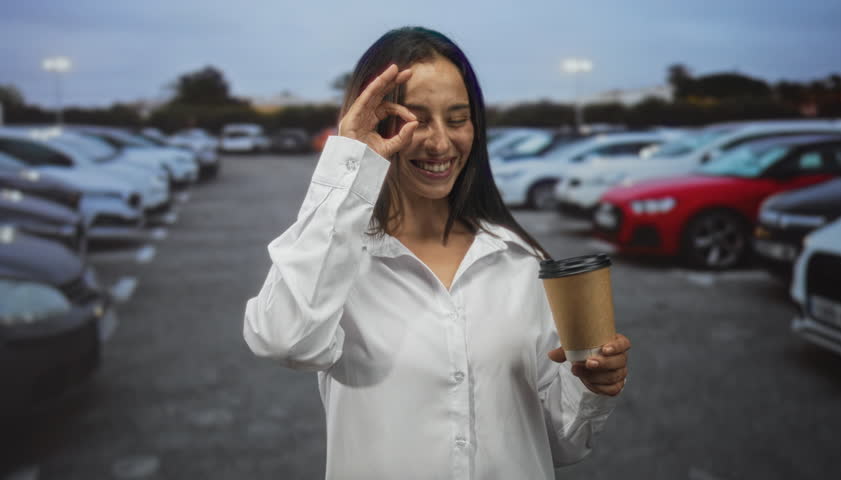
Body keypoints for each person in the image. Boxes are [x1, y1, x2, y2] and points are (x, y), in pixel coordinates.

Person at [244, 26, 631, 479]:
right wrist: (349, 161)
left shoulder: (519, 259)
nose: (441, 142)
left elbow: (559, 443)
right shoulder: (337, 258)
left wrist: (589, 388)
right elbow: (283, 337)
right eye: (417, 118)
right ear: (374, 122)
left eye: (457, 117)